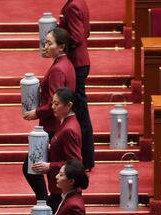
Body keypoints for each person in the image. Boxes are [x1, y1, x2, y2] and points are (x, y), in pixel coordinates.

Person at [22, 27, 76, 202]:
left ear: (61, 47)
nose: (45, 46)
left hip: (52, 127)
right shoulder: (67, 64)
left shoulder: (57, 70)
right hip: (56, 124)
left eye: (49, 43)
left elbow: (54, 102)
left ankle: (44, 204)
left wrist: (35, 113)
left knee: (31, 167)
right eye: (45, 42)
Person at [59, 0, 95, 171]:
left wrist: (61, 47)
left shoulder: (73, 6)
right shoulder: (79, 2)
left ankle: (86, 159)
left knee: (80, 112)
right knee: (80, 110)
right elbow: (86, 32)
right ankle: (86, 158)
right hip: (82, 61)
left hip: (77, 63)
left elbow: (77, 36)